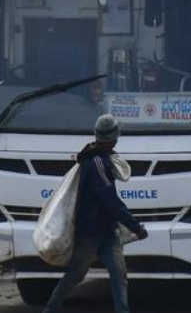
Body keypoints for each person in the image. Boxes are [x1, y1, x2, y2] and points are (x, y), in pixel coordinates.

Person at [43, 114, 148, 313]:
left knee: (119, 276)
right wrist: (135, 227)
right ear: (113, 138)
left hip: (108, 233)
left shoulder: (98, 159)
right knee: (74, 277)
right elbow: (111, 201)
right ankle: (49, 309)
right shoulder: (97, 163)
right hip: (91, 235)